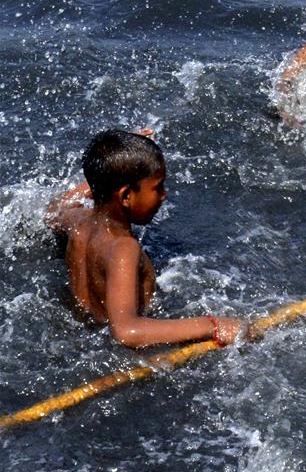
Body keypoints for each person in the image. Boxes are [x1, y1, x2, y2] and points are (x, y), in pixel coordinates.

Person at [46, 129, 247, 349]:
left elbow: (54, 210)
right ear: (125, 196)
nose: (164, 195)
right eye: (157, 187)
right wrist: (212, 325)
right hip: (128, 356)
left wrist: (109, 172)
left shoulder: (78, 221)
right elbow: (125, 332)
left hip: (85, 336)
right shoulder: (123, 248)